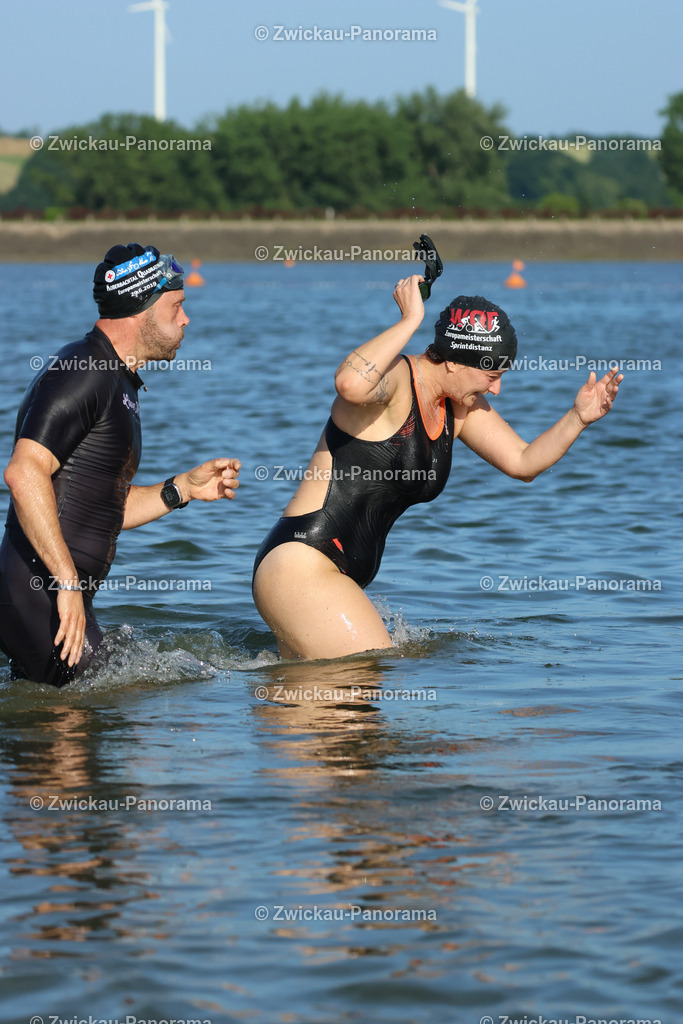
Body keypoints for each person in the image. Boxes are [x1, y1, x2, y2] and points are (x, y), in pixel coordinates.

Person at [253, 274, 622, 661]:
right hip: (302, 566)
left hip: (326, 578)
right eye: (492, 375)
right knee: (368, 673)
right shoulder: (394, 381)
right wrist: (409, 320)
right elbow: (349, 383)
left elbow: (523, 463)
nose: (496, 389)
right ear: (456, 360)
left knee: (314, 711)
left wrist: (577, 418)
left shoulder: (457, 408)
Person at [0, 243, 241, 688]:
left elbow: (97, 507)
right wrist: (68, 584)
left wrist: (181, 489)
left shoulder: (115, 380)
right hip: (42, 592)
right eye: (177, 306)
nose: (185, 319)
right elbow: (23, 472)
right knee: (146, 702)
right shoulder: (85, 370)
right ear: (140, 307)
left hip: (53, 594)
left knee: (67, 732)